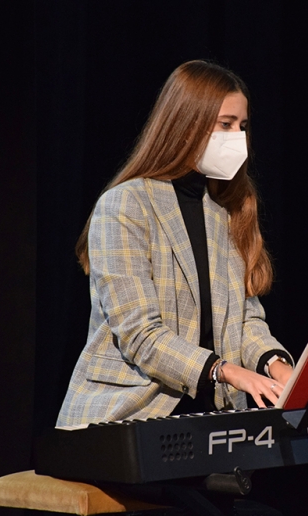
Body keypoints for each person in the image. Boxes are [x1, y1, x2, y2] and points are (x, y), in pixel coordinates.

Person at [57, 59, 294, 427]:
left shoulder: (225, 210)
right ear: (187, 124)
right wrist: (227, 371)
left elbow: (245, 321)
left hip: (209, 414)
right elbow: (141, 335)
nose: (238, 139)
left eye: (243, 127)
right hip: (125, 415)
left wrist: (277, 368)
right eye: (225, 125)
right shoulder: (125, 206)